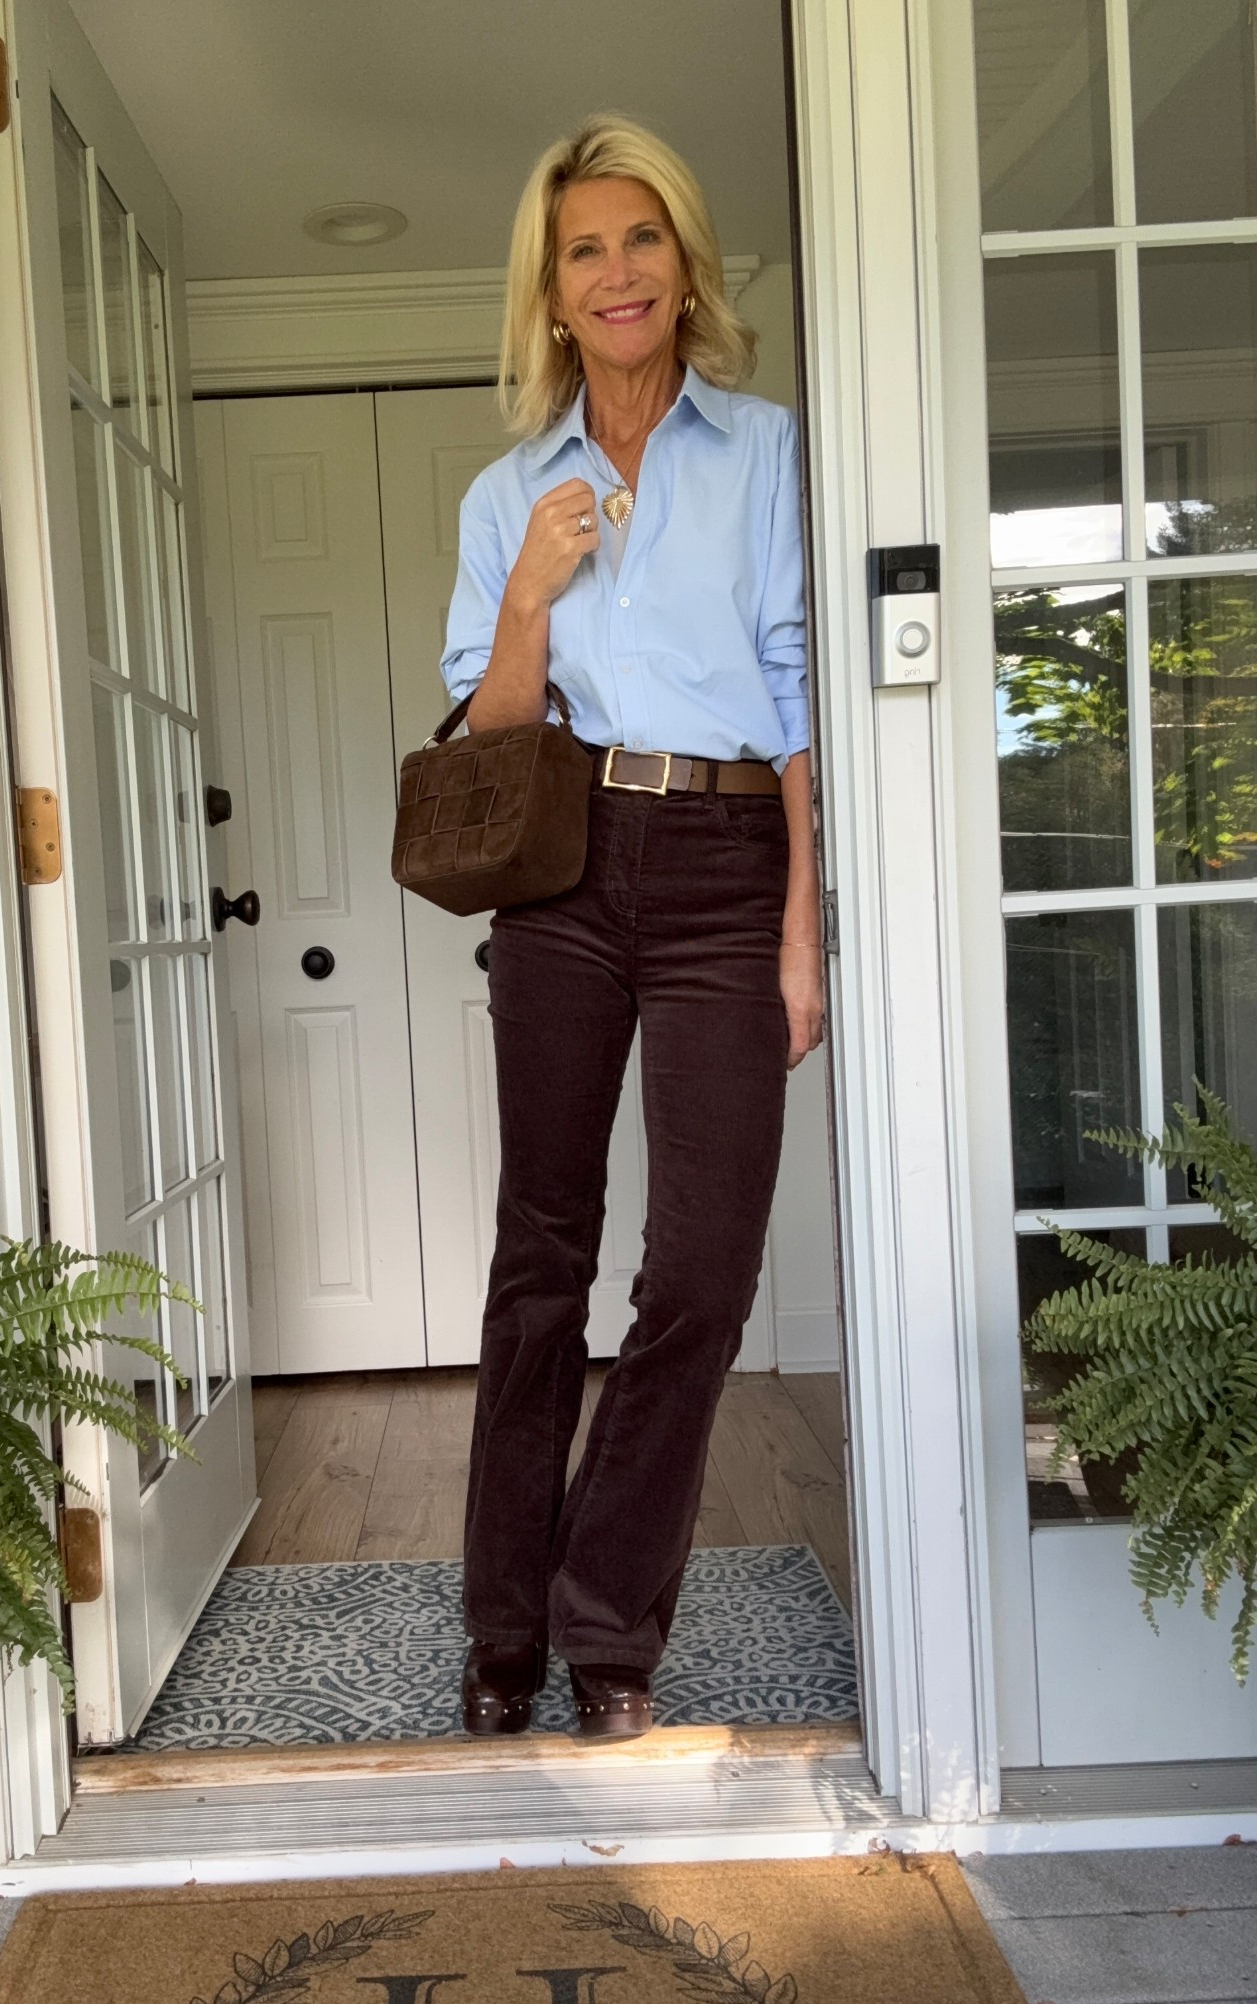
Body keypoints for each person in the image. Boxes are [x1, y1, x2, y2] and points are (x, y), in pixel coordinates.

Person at [440, 114, 824, 1741]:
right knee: (544, 1252)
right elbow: (487, 740)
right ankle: (509, 1631)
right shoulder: (507, 493)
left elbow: (802, 700)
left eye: (642, 240)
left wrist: (806, 927)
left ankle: (611, 1615)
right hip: (567, 865)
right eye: (585, 250)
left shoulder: (772, 452)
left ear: (686, 267)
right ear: (550, 296)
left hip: (737, 860)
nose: (618, 272)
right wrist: (529, 589)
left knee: (707, 1270)